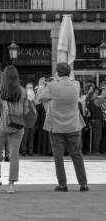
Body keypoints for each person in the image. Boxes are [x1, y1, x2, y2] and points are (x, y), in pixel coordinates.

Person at [37, 62, 89, 192]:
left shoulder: (53, 85)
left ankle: (62, 184)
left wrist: (41, 86)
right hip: (73, 125)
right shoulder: (76, 85)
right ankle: (83, 183)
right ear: (69, 72)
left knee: (58, 156)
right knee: (77, 155)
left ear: (57, 72)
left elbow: (39, 98)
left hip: (56, 126)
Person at [0, 65, 29, 194]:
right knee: (14, 154)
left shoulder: (0, 93)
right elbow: (26, 111)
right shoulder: (22, 91)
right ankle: (11, 184)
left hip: (3, 125)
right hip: (18, 127)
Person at [20, 83, 38, 156]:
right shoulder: (23, 101)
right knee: (24, 138)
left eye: (31, 88)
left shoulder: (34, 101)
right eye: (28, 88)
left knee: (31, 138)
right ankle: (24, 151)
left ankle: (30, 152)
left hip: (32, 123)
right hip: (25, 122)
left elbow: (36, 112)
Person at [88, 87, 103, 155]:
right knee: (97, 137)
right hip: (96, 121)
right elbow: (102, 99)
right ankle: (95, 151)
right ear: (92, 96)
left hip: (96, 121)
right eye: (95, 94)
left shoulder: (92, 102)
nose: (96, 95)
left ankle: (96, 150)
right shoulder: (94, 102)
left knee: (97, 136)